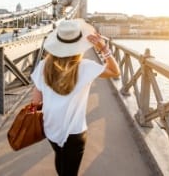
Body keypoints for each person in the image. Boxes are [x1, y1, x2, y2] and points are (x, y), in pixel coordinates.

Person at [30, 18, 120, 176]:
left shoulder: (43, 66)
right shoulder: (85, 67)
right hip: (74, 132)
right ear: (79, 45)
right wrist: (103, 48)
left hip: (50, 127)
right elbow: (115, 71)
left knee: (60, 157)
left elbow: (36, 101)